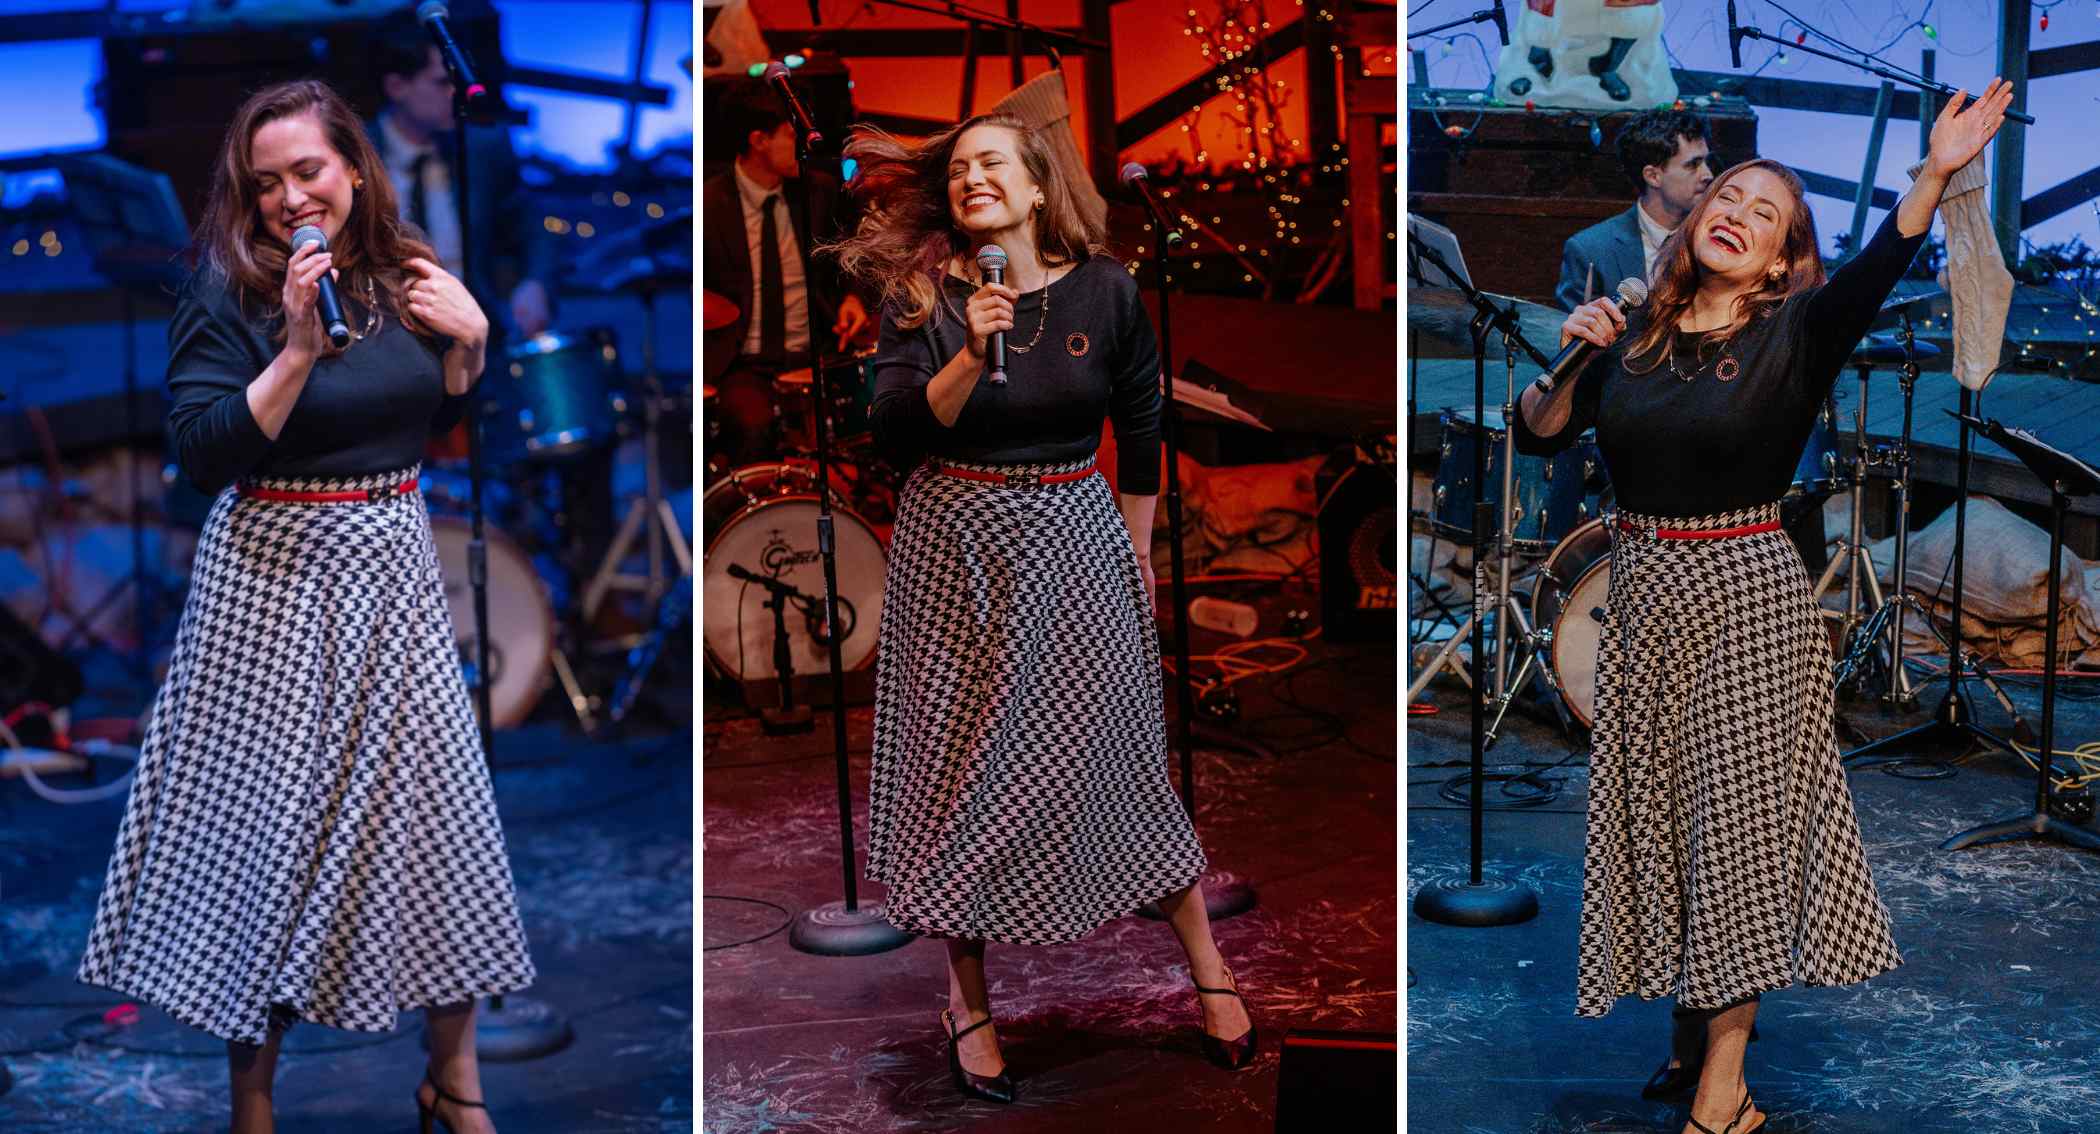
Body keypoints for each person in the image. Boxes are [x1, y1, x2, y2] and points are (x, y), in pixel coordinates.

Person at [1515, 80, 2014, 1134]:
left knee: (1735, 833)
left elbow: (1883, 263)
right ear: (1693, 221)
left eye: (1766, 210)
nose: (1735, 210)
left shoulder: (1798, 333)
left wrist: (1932, 174)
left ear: (1785, 258)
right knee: (1664, 819)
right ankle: (1692, 1034)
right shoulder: (1635, 339)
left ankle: (1725, 1093)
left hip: (1747, 598)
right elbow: (1546, 432)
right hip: (1645, 597)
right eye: (1725, 196)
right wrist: (1573, 357)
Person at [75, 80, 535, 1134]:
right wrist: (291, 349)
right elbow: (201, 454)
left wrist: (470, 344)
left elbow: (440, 407)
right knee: (264, 839)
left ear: (354, 169)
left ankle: (455, 1085)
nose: (290, 197)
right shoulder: (223, 287)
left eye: (308, 171)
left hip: (390, 565)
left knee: (435, 826)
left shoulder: (401, 269)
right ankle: (254, 1106)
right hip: (269, 575)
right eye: (267, 181)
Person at [826, 113, 1256, 1103]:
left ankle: (1207, 968)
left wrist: (1135, 545)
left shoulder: (1104, 288)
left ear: (1033, 188)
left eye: (993, 164)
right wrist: (972, 354)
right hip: (958, 547)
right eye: (962, 167)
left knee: (1115, 758)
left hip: (1076, 532)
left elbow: (1143, 414)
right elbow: (891, 429)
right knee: (967, 772)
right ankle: (967, 998)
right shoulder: (925, 294)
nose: (974, 178)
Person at [701, 76, 871, 468]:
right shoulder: (708, 205)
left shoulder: (821, 191)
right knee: (750, 428)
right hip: (745, 363)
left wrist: (852, 297)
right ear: (759, 140)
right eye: (791, 133)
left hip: (821, 353)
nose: (805, 144)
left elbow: (856, 251)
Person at [1556, 109, 1713, 313]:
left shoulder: (1716, 238)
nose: (1708, 174)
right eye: (1693, 165)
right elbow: (1571, 337)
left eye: (1706, 162)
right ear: (1653, 176)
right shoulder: (1590, 251)